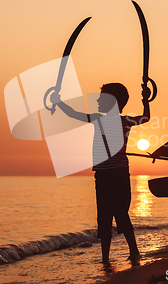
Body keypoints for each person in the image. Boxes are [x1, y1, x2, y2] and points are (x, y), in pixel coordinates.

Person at [50, 83, 151, 265]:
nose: (97, 100)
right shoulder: (98, 119)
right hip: (102, 174)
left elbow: (145, 117)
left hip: (118, 173)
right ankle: (105, 258)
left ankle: (134, 251)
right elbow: (73, 114)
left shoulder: (123, 120)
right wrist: (59, 103)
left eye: (102, 97)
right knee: (104, 215)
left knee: (120, 212)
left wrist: (146, 99)